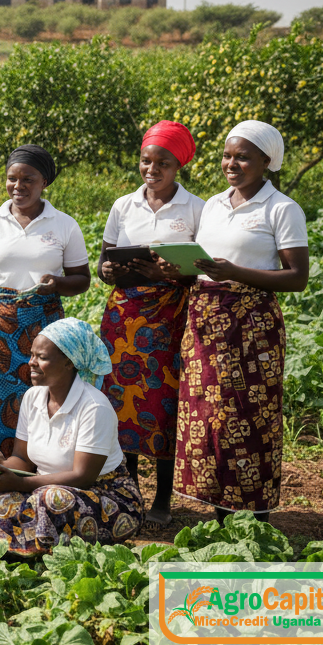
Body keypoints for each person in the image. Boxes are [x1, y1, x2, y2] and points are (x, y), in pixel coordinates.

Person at [169, 121, 309, 522]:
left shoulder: (282, 208)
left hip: (251, 327)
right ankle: (218, 510)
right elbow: (204, 266)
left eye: (243, 157)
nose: (232, 163)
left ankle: (255, 514)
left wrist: (235, 271)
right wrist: (175, 267)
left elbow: (297, 277)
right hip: (205, 320)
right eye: (228, 155)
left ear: (267, 162)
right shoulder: (213, 204)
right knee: (209, 415)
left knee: (249, 415)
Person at [0, 319, 142, 556]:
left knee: (51, 499)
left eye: (41, 357)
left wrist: (21, 484)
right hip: (41, 485)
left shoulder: (94, 407)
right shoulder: (33, 397)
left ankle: (42, 558)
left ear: (68, 362)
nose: (31, 363)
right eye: (32, 355)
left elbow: (82, 476)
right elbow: (22, 460)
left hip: (104, 494)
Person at [96, 121, 204, 526]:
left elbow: (200, 269)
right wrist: (112, 270)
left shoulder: (197, 208)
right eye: (146, 160)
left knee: (162, 404)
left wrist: (166, 273)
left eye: (163, 162)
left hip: (169, 316)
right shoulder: (124, 205)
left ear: (179, 166)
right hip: (123, 317)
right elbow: (105, 262)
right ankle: (129, 490)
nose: (152, 169)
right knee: (121, 403)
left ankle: (161, 496)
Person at [0, 145, 90, 456]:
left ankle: (38, 462)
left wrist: (57, 284)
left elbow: (82, 279)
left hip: (42, 328)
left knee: (42, 391)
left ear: (45, 182)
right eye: (11, 179)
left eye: (28, 179)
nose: (19, 186)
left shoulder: (64, 224)